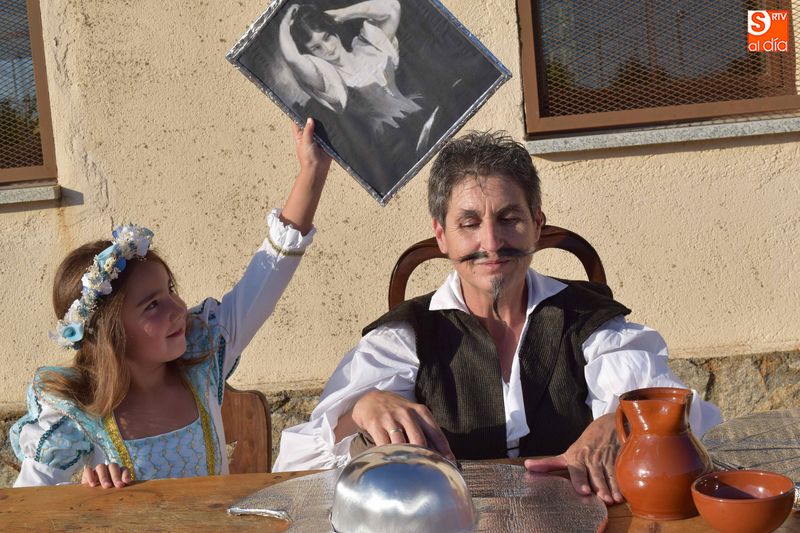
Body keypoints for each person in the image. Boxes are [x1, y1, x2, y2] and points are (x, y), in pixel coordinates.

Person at [273, 131, 722, 505]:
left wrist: (623, 422)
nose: (491, 242)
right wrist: (360, 410)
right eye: (469, 223)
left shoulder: (588, 320)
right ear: (441, 235)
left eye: (509, 219)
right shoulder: (406, 335)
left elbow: (695, 425)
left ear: (537, 225)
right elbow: (295, 470)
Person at [9, 119, 332, 488]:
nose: (177, 309)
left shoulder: (203, 357)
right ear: (111, 333)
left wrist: (311, 171)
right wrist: (87, 498)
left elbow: (267, 275)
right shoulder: (77, 415)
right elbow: (29, 505)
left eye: (170, 290)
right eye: (152, 305)